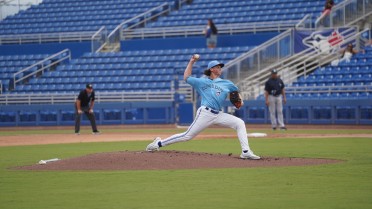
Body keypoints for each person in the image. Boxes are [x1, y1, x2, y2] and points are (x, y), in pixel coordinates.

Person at [146, 56, 260, 160]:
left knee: (239, 123)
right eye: (217, 66)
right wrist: (191, 62)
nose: (220, 68)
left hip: (218, 114)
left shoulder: (227, 83)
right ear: (211, 69)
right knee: (187, 136)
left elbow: (236, 93)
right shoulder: (202, 82)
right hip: (205, 113)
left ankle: (245, 151)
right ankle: (158, 143)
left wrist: (241, 101)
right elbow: (186, 77)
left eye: (220, 66)